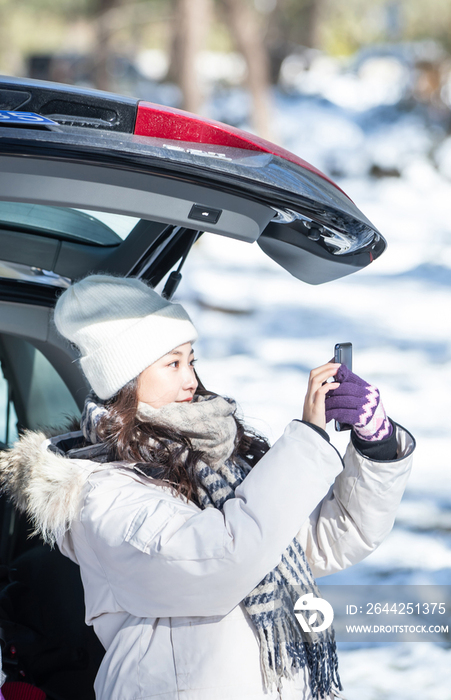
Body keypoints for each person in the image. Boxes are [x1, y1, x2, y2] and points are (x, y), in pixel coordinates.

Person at [0, 274, 415, 700]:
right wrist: (308, 438)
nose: (191, 381)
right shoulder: (100, 493)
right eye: (172, 364)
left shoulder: (215, 462)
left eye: (191, 360)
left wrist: (376, 445)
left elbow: (330, 538)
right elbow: (221, 561)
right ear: (126, 380)